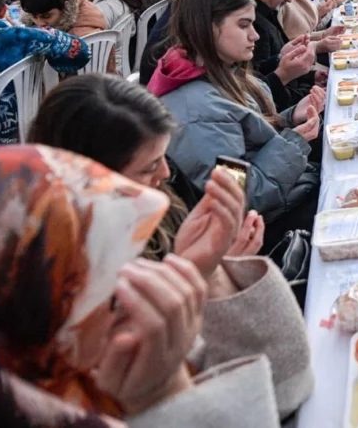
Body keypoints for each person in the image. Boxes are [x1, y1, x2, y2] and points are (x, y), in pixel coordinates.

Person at [28, 74, 315, 418]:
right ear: (93, 178)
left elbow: (289, 384)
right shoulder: (72, 293)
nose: (164, 171)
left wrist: (215, 270)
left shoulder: (163, 202)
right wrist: (196, 277)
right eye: (149, 166)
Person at [0, 144, 291, 428]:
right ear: (35, 306)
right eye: (101, 277)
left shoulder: (75, 367)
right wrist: (165, 395)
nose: (127, 285)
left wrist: (208, 271)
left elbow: (288, 384)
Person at [147, 0, 321, 250]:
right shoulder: (198, 114)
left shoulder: (216, 75)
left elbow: (245, 138)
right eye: (244, 25)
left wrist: (289, 118)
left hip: (285, 196)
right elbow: (239, 192)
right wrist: (294, 141)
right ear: (209, 28)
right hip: (266, 230)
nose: (255, 35)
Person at [0, 0, 90, 144]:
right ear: (3, 11)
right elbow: (81, 53)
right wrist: (49, 34)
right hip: (11, 135)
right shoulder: (23, 38)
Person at [244, 0, 319, 109]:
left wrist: (311, 77)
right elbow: (257, 87)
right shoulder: (254, 22)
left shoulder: (266, 11)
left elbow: (270, 67)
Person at [19, 0, 109, 38]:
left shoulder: (81, 34)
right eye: (34, 16)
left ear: (65, 7)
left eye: (46, 16)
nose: (40, 23)